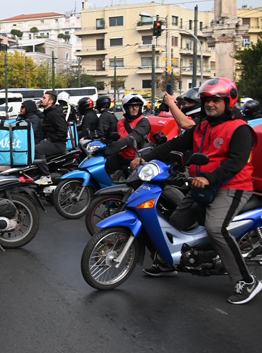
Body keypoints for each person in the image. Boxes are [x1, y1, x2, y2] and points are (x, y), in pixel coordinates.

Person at [129, 78, 261, 305]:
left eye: (216, 100)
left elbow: (236, 163)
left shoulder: (241, 129)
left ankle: (246, 281)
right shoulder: (202, 126)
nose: (210, 104)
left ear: (229, 101)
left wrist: (209, 178)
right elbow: (174, 145)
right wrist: (144, 158)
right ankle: (167, 263)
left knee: (215, 227)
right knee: (176, 220)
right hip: (201, 184)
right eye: (207, 99)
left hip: (232, 186)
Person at [104, 94, 150, 178]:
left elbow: (134, 137)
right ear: (126, 108)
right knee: (101, 166)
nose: (135, 108)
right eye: (132, 106)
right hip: (120, 155)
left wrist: (115, 146)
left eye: (137, 106)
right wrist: (105, 139)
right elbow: (114, 135)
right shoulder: (121, 122)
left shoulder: (143, 121)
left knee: (132, 182)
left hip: (135, 157)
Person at [32, 91, 68, 185]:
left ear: (51, 101)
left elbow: (63, 131)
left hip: (57, 144)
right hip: (52, 141)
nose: (41, 99)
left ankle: (46, 176)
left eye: (44, 98)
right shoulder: (48, 112)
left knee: (37, 149)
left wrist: (49, 139)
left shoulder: (54, 113)